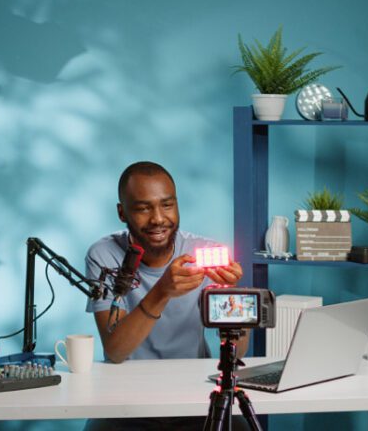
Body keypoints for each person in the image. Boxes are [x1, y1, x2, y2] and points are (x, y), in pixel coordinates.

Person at [83, 161, 249, 431]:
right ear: (122, 213)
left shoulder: (203, 251)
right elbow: (115, 350)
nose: (158, 219)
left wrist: (233, 302)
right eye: (143, 208)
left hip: (196, 396)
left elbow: (239, 351)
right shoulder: (104, 255)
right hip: (125, 400)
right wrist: (162, 291)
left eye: (167, 205)